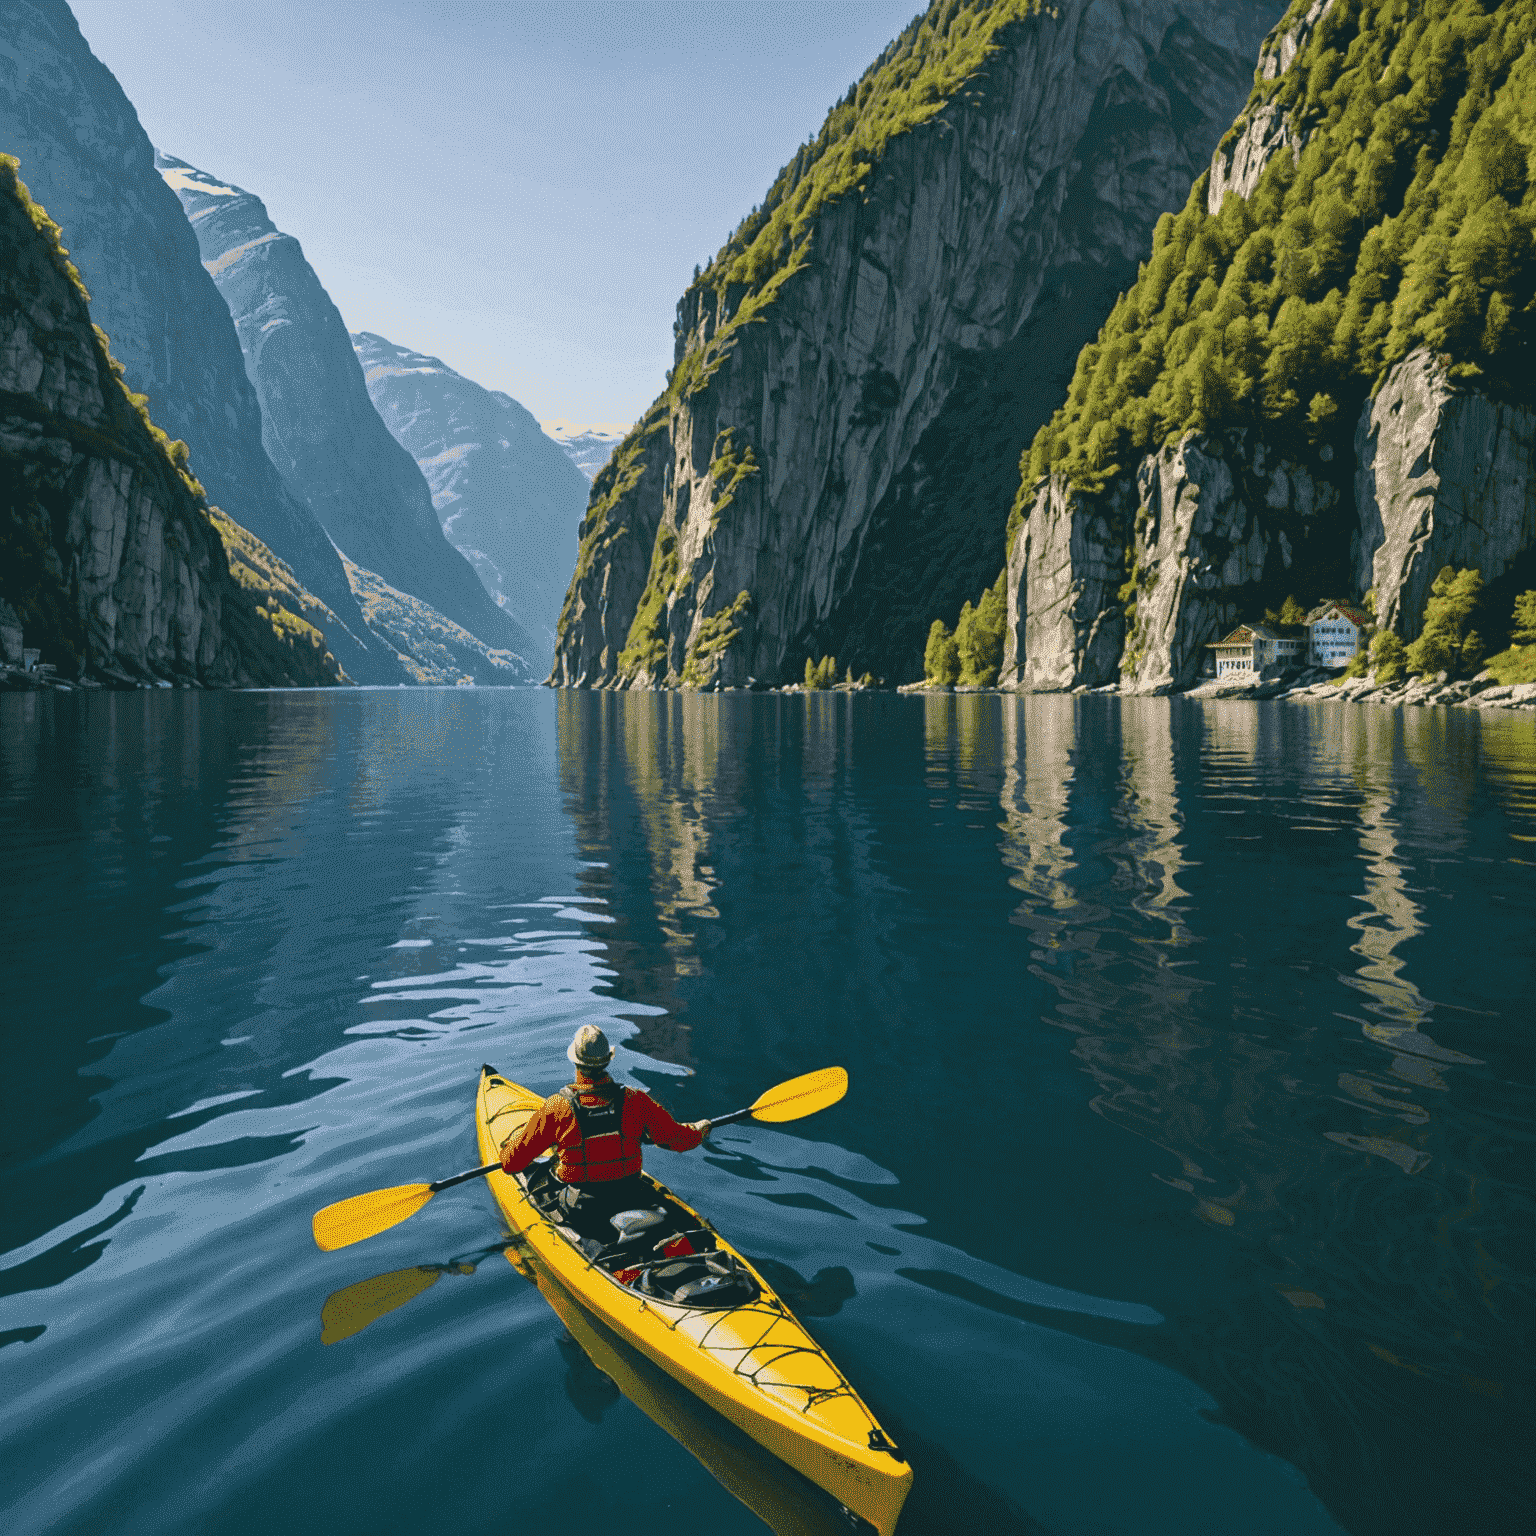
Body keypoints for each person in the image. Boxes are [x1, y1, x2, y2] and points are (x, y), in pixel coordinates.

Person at [497, 1024, 711, 1224]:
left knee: (542, 1176)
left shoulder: (557, 1107)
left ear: (575, 1062)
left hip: (582, 1209)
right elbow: (680, 1139)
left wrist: (509, 1148)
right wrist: (699, 1130)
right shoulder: (636, 1100)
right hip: (631, 1197)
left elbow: (511, 1163)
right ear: (608, 1059)